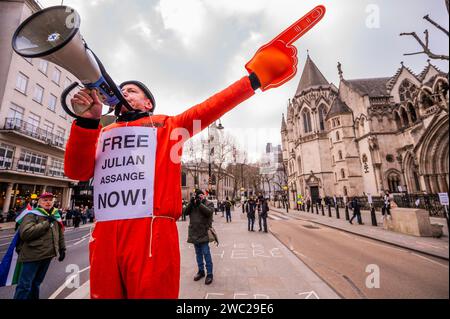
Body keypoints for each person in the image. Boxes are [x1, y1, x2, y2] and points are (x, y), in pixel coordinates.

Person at [64, 35, 298, 298]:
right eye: (121, 90)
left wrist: (255, 79)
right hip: (105, 235)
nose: (124, 92)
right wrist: (86, 122)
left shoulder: (167, 126)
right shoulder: (102, 130)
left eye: (131, 90)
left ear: (148, 103)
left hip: (151, 235)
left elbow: (212, 107)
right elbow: (77, 172)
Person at [13, 192, 66, 299]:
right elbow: (26, 233)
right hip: (32, 255)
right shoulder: (31, 214)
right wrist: (46, 223)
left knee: (36, 284)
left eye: (50, 200)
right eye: (45, 200)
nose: (48, 202)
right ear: (39, 202)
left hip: (48, 255)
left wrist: (62, 248)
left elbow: (59, 233)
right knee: (25, 286)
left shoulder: (55, 214)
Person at [184, 189, 214, 285]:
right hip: (194, 233)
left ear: (203, 195)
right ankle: (201, 271)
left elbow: (209, 213)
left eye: (201, 195)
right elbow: (185, 212)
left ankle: (209, 273)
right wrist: (191, 203)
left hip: (204, 233)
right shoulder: (193, 204)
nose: (199, 197)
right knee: (198, 254)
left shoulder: (209, 203)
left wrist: (199, 204)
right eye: (197, 196)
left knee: (206, 253)